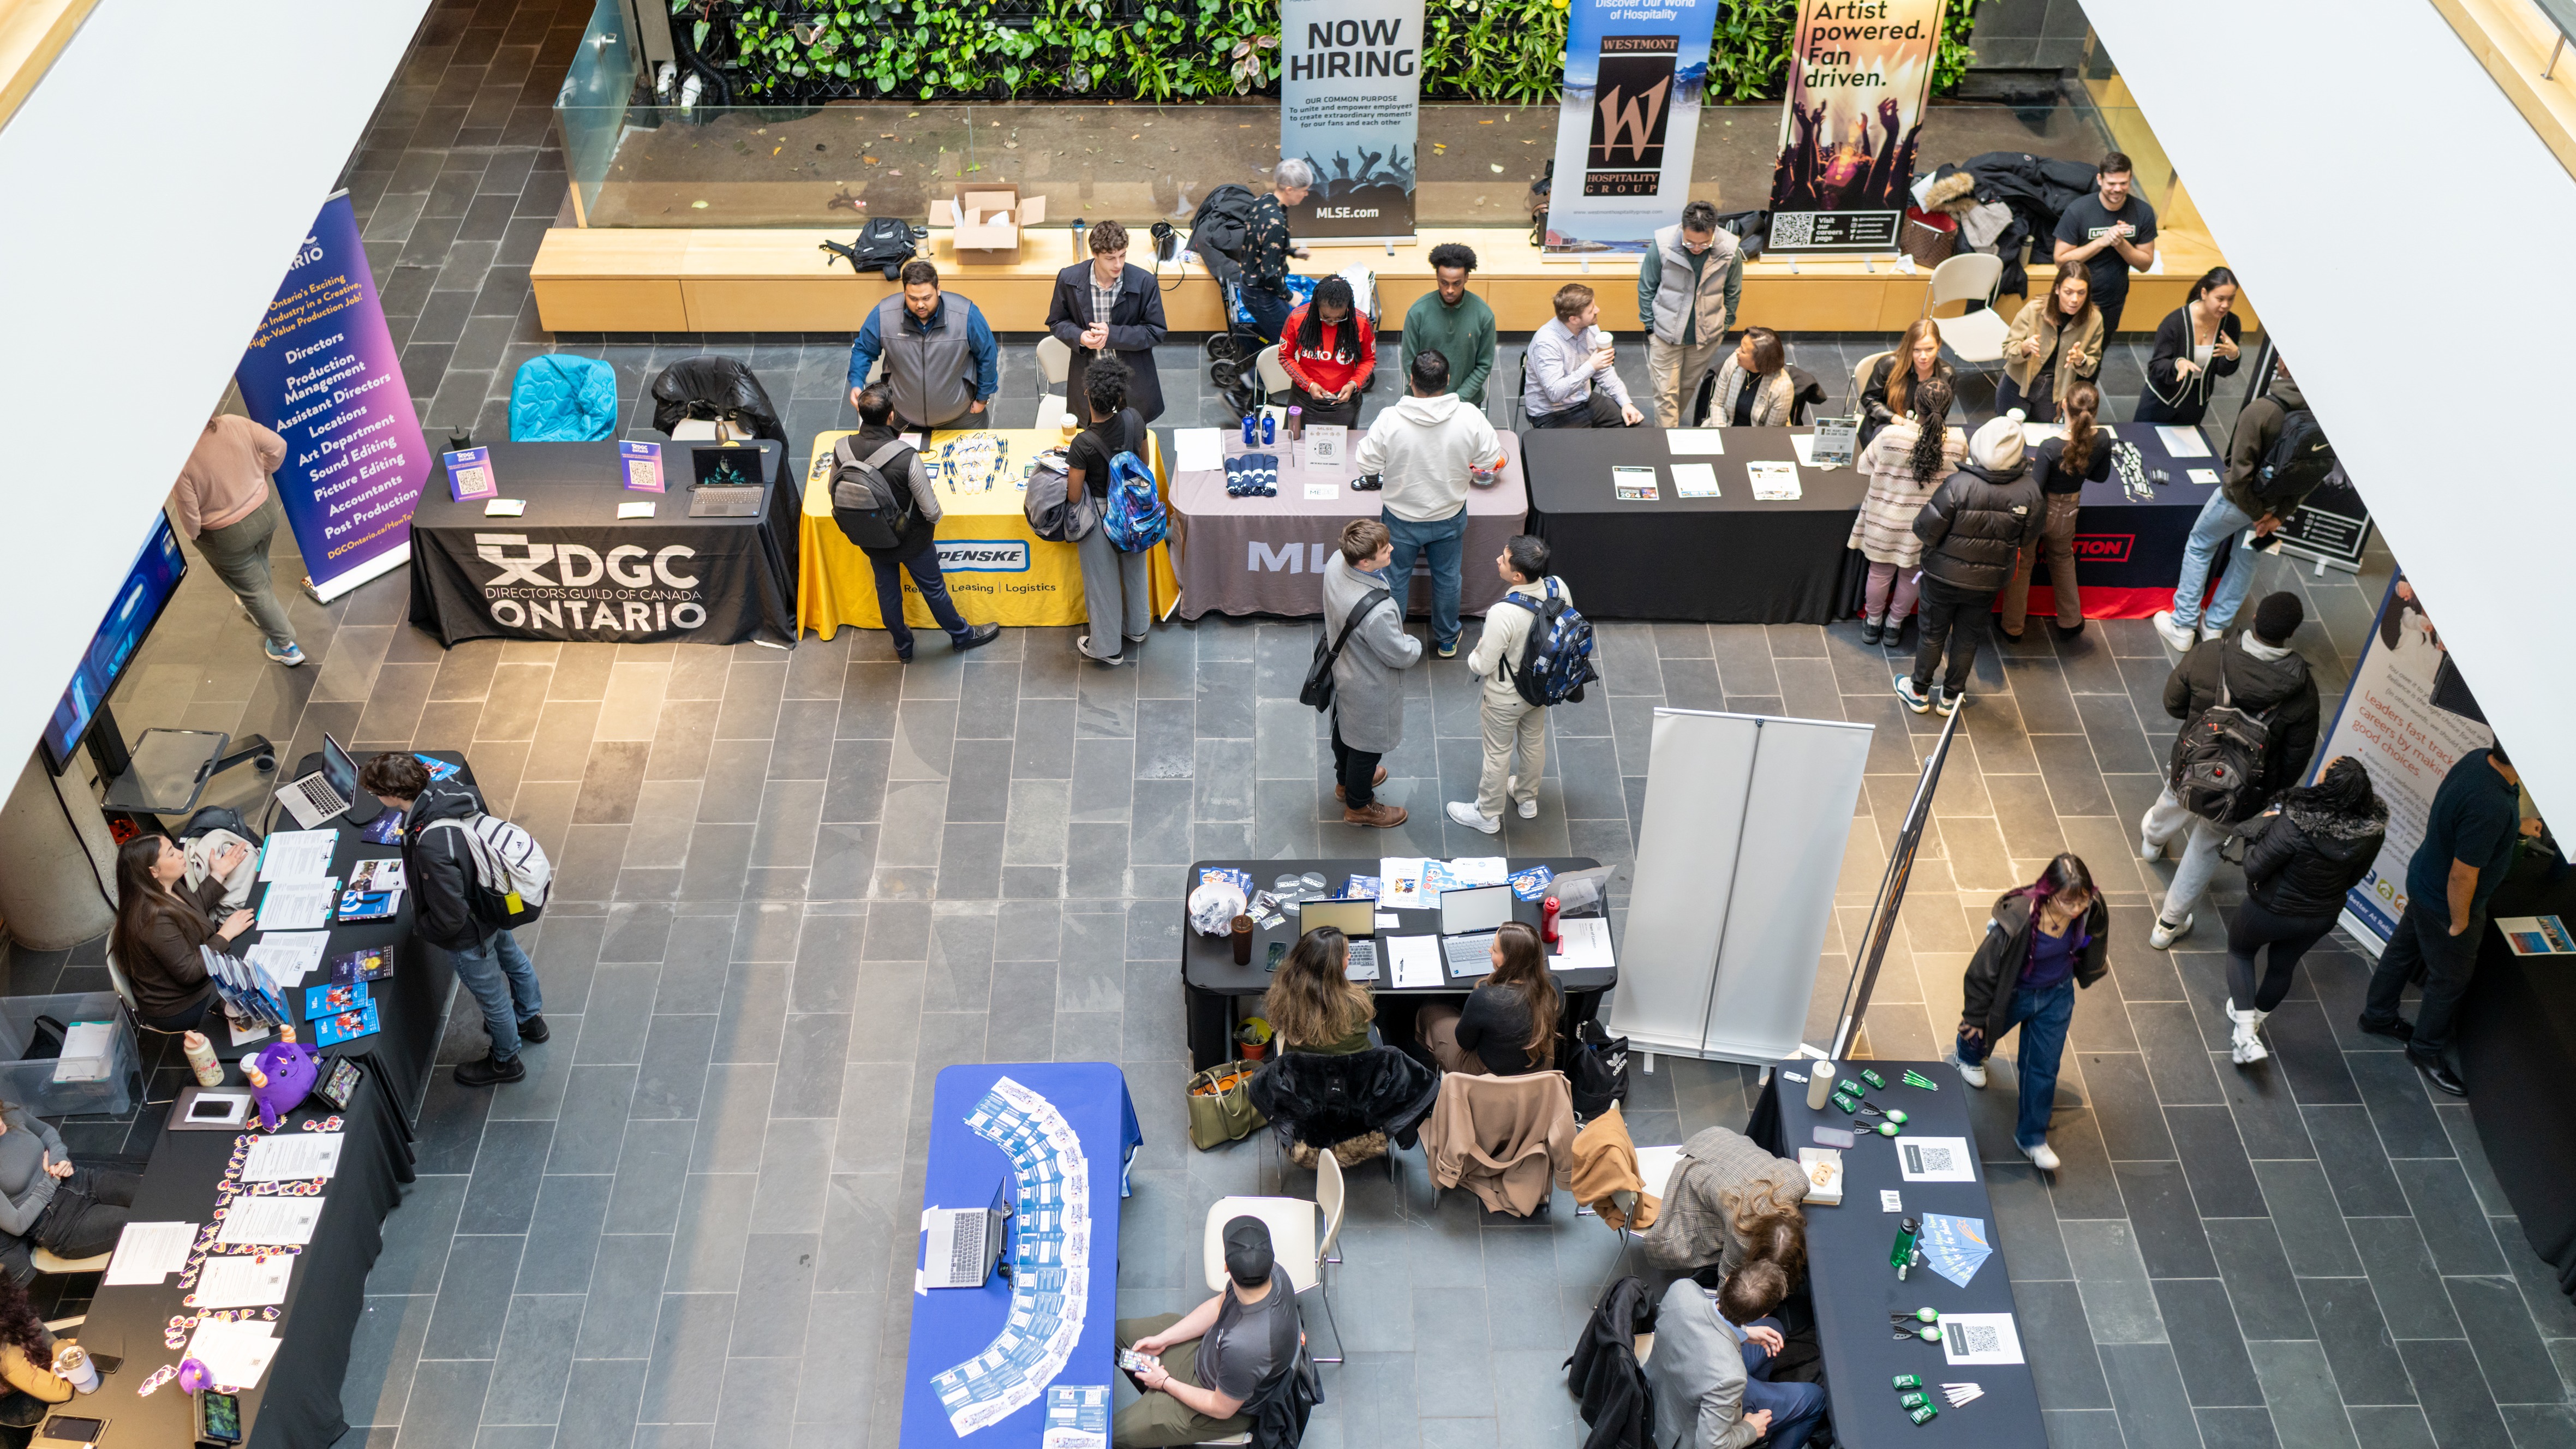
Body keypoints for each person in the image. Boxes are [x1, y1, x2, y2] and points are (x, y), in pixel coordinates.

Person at [2139, 591, 2321, 950]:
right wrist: (2266, 792)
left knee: (2174, 798)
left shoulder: (2211, 654)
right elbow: (2293, 760)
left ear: (2254, 620)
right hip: (2242, 792)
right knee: (2206, 846)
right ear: (2290, 633)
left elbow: (2172, 702)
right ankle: (2167, 925)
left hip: (2191, 764)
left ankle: (2152, 842)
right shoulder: (2301, 692)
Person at [361, 752, 548, 1087]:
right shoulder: (450, 793)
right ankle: (531, 1019)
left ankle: (506, 1061)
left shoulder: (432, 843)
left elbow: (451, 915)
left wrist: (427, 930)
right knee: (515, 961)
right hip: (494, 905)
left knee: (492, 998)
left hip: (470, 933)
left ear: (391, 795)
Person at [2360, 742, 2527, 1097]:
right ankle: (2424, 1050)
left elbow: (2463, 823)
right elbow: (2462, 876)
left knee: (2403, 949)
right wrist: (2458, 922)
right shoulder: (2492, 805)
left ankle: (2376, 1015)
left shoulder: (2478, 760)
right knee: (2449, 978)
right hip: (2443, 903)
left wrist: (2515, 827)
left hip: (2424, 878)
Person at [1950, 854, 2107, 1171]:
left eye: (2082, 902)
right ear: (2050, 892)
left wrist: (2090, 971)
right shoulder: (2019, 917)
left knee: (2044, 1066)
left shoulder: (2092, 906)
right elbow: (1982, 971)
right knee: (1982, 1033)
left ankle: (2032, 1137)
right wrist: (1975, 1017)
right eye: (2067, 903)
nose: (2076, 910)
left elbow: (2097, 938)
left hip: (2057, 994)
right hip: (2012, 993)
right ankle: (1968, 1054)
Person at [2226, 757, 2387, 1066]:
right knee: (2282, 966)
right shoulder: (2371, 832)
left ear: (2327, 788)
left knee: (2241, 952)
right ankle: (2254, 1022)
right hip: (2320, 917)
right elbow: (2354, 878)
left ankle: (2246, 1034)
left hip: (2270, 910)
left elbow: (2253, 868)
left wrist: (2251, 837)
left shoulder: (2294, 823)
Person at [1354, 349, 1507, 660]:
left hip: (1399, 518)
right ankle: (1448, 639)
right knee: (1448, 579)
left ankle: (1392, 640)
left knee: (1394, 579)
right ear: (1448, 381)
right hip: (1449, 515)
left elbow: (1365, 464)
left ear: (1411, 381)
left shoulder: (1390, 419)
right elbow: (1491, 461)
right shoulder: (1470, 416)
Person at [2150, 354, 2307, 652]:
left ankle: (2182, 625)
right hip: (2273, 510)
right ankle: (2215, 627)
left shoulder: (2261, 411)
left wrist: (2257, 513)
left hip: (2237, 504)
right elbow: (2310, 478)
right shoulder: (2322, 417)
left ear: (2285, 365)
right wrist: (2276, 516)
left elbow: (2238, 478)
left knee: (2200, 544)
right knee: (2247, 559)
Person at [839, 386, 1003, 663]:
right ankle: (961, 635)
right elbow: (933, 511)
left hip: (870, 537)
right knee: (934, 590)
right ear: (891, 415)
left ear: (861, 414)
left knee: (888, 593)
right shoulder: (906, 457)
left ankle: (903, 647)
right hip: (911, 540)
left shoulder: (841, 449)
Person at [1114, 1217, 1303, 1447]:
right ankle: (1151, 1398)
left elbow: (1221, 1407)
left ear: (1226, 1267)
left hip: (1216, 1401)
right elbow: (1217, 1307)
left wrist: (1165, 1383)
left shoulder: (1246, 1348)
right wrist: (1163, 1339)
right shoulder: (1274, 1274)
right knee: (1116, 1336)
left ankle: (1155, 1415)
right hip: (1208, 1354)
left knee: (1114, 1434)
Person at [1897, 415, 2037, 716]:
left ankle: (1919, 691)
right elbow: (2030, 537)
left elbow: (1925, 529)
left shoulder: (1958, 484)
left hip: (1941, 578)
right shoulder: (2029, 490)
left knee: (1932, 634)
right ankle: (1951, 697)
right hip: (1988, 581)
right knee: (1967, 637)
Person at [1448, 535, 1564, 833]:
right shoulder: (1558, 587)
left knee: (1498, 753)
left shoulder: (1503, 612)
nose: (1498, 560)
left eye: (1504, 558)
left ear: (1517, 576)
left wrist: (1475, 651)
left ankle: (1487, 816)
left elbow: (1482, 665)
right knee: (1534, 740)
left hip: (1505, 697)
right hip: (1540, 688)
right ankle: (1526, 800)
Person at [1645, 1260, 1827, 1449]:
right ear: (1763, 1314)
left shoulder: (1681, 1290)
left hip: (1663, 1386)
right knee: (1815, 1398)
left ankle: (1759, 1399)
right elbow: (1710, 1445)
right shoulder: (1731, 1377)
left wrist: (1744, 1333)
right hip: (1684, 1428)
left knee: (1775, 1328)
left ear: (1729, 1279)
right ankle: (1757, 1418)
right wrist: (1750, 1429)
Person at [173, 412, 303, 666]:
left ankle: (285, 646)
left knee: (253, 589)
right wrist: (261, 475)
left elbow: (189, 513)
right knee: (258, 560)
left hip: (227, 535)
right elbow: (278, 446)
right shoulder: (233, 422)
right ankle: (258, 610)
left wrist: (194, 536)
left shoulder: (182, 461)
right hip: (266, 513)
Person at [1320, 519, 1422, 828]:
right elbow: (1400, 654)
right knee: (1367, 748)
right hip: (1370, 686)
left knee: (1344, 728)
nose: (1391, 549)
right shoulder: (1377, 614)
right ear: (1365, 561)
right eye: (1383, 549)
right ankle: (1359, 805)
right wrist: (1415, 643)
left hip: (1344, 672)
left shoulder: (1337, 561)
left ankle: (1345, 781)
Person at [1849, 375, 1962, 648]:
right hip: (1923, 528)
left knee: (1879, 573)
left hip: (1884, 521)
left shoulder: (1890, 436)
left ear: (1916, 406)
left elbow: (1864, 467)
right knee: (1911, 576)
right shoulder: (1957, 443)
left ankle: (1873, 622)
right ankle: (1894, 626)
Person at [2001, 380, 2111, 643]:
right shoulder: (2103, 439)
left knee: (2024, 565)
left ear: (2064, 405)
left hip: (2041, 514)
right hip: (2069, 511)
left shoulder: (2050, 446)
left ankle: (2013, 627)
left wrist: (2030, 469)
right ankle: (2071, 621)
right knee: (2062, 560)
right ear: (2094, 412)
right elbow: (2101, 476)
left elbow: (2035, 490)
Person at [106, 834, 252, 1030]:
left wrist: (218, 873)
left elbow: (190, 914)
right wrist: (225, 934)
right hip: (181, 1005)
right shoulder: (153, 919)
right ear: (154, 871)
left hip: (195, 974)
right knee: (253, 979)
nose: (181, 854)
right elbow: (190, 972)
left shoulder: (164, 887)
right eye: (171, 854)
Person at [1066, 360, 1154, 667]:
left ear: (1088, 394)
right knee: (1134, 568)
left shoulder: (1083, 444)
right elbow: (1143, 464)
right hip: (1133, 508)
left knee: (1101, 582)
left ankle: (1107, 648)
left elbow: (1074, 495)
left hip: (1102, 513)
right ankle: (1138, 628)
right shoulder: (1134, 419)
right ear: (1119, 398)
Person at [845, 260, 999, 432]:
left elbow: (988, 355)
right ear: (904, 293)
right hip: (901, 418)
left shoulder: (966, 315)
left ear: (938, 289)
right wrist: (857, 382)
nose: (920, 305)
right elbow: (863, 350)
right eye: (913, 298)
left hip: (961, 417)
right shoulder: (884, 314)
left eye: (926, 298)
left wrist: (982, 398)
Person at [1047, 219, 1169, 424]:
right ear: (1095, 254)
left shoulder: (1145, 282)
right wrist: (1080, 337)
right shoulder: (1069, 278)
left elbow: (1156, 331)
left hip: (1132, 377)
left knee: (1136, 435)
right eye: (1110, 258)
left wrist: (1112, 336)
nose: (1118, 264)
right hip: (1090, 376)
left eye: (1123, 256)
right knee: (1092, 438)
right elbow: (1057, 321)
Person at [1638, 200, 1744, 427]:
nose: (1696, 248)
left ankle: (1671, 428)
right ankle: (1668, 440)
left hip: (1705, 337)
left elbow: (1733, 293)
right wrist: (1650, 328)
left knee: (1686, 388)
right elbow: (1647, 287)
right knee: (1666, 393)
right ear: (1682, 229)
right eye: (1690, 242)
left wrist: (1723, 328)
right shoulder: (1662, 245)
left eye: (1704, 244)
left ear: (1714, 232)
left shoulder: (1730, 251)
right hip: (1665, 335)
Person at [0, 1099, 139, 1266]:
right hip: (60, 1223)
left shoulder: (7, 1111)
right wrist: (53, 1179)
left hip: (81, 1179)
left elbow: (45, 1131)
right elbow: (17, 1224)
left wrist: (58, 1157)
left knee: (151, 1193)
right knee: (138, 1220)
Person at [1416, 921, 1559, 1075]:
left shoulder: (1485, 998)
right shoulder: (1554, 987)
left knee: (1429, 1010)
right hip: (1538, 1068)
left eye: (1495, 949)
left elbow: (1465, 1042)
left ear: (1510, 961)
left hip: (1489, 1073)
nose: (1489, 950)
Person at [2052, 150, 2158, 334]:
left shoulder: (2143, 212)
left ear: (2131, 179)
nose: (2117, 189)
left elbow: (2145, 264)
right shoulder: (2078, 210)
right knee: (2062, 351)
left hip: (2112, 301)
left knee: (2097, 354)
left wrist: (2120, 244)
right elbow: (2061, 260)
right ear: (2100, 179)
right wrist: (2102, 241)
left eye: (2123, 183)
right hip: (2072, 299)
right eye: (2112, 183)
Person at [2133, 266, 2242, 428]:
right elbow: (2156, 366)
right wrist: (2177, 364)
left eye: (2231, 299)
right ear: (2204, 294)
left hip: (2195, 402)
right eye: (2220, 299)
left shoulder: (2231, 323)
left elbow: (2222, 371)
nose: (2226, 305)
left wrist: (2233, 356)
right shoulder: (2175, 322)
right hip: (2161, 399)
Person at [1523, 284, 1643, 429]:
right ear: (1574, 319)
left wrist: (1625, 403)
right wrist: (1591, 366)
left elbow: (1604, 370)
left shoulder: (1591, 328)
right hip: (1553, 413)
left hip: (1585, 401)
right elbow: (1555, 393)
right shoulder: (1546, 344)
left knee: (1640, 430)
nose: (1598, 310)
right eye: (1592, 310)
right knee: (1587, 450)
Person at [1995, 265, 2103, 424]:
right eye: (2069, 292)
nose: (2075, 299)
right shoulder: (2034, 310)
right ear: (2057, 289)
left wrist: (2082, 359)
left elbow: (2091, 366)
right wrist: (2024, 348)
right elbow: (2008, 350)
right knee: (2007, 432)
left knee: (2042, 436)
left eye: (2081, 293)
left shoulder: (2094, 320)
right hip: (2018, 383)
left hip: (2055, 391)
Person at [1402, 242, 1497, 408]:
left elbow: (1484, 364)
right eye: (1444, 283)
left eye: (1457, 283)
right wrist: (1429, 397)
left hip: (1466, 402)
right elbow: (1409, 360)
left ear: (1467, 277)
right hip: (1422, 400)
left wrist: (1458, 399)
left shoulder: (1484, 315)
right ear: (1437, 277)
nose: (1450, 290)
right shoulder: (1417, 312)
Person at [1277, 275, 1376, 429]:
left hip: (1345, 401)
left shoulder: (1361, 322)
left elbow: (1368, 360)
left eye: (1339, 318)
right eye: (1326, 317)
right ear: (1316, 306)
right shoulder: (1297, 318)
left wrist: (1354, 383)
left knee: (1343, 449)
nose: (1332, 323)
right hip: (1304, 398)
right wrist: (1308, 384)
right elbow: (1285, 357)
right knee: (1296, 445)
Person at [1264, 927, 1376, 1055]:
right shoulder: (1360, 1001)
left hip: (1305, 1065)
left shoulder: (1285, 999)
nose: (1350, 956)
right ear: (1333, 968)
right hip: (1352, 1066)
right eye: (1346, 955)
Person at [1241, 159, 1314, 343]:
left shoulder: (1263, 201)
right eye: (1304, 190)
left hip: (1251, 285)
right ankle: (1252, 373)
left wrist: (1292, 252)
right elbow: (1270, 272)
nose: (1306, 194)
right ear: (1289, 190)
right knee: (1288, 342)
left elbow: (1260, 241)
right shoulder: (1277, 223)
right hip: (1263, 294)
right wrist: (1291, 297)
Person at [1858, 318, 1953, 450]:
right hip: (1883, 428)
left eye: (1930, 349)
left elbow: (1940, 414)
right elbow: (1869, 399)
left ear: (1939, 345)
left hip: (1919, 435)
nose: (1923, 356)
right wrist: (1898, 420)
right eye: (1917, 350)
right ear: (1909, 347)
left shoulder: (1947, 375)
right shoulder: (1888, 365)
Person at [0, 1276, 74, 1415]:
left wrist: (57, 1347)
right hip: (21, 1402)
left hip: (36, 1365)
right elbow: (61, 1392)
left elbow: (43, 1337)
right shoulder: (5, 1353)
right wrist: (60, 1350)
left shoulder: (9, 1308)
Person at [1709, 327, 1796, 428]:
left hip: (1757, 438)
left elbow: (1770, 433)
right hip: (1724, 427)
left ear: (1760, 360)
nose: (1737, 351)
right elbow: (1718, 405)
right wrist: (1723, 434)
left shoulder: (1783, 388)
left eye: (1743, 351)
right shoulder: (1734, 362)